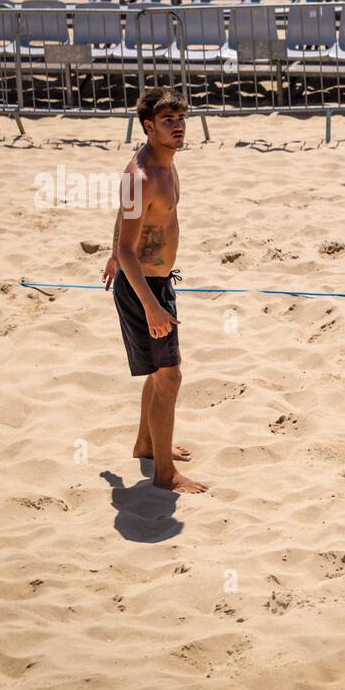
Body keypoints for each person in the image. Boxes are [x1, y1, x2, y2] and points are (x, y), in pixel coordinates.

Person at [102, 87, 206, 494]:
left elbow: (126, 222)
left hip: (157, 283)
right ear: (149, 127)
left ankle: (146, 444)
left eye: (181, 119)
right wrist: (152, 307)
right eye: (168, 121)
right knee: (170, 376)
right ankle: (164, 474)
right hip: (143, 287)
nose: (178, 126)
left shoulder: (167, 162)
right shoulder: (140, 175)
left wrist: (114, 251)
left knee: (159, 373)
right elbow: (130, 247)